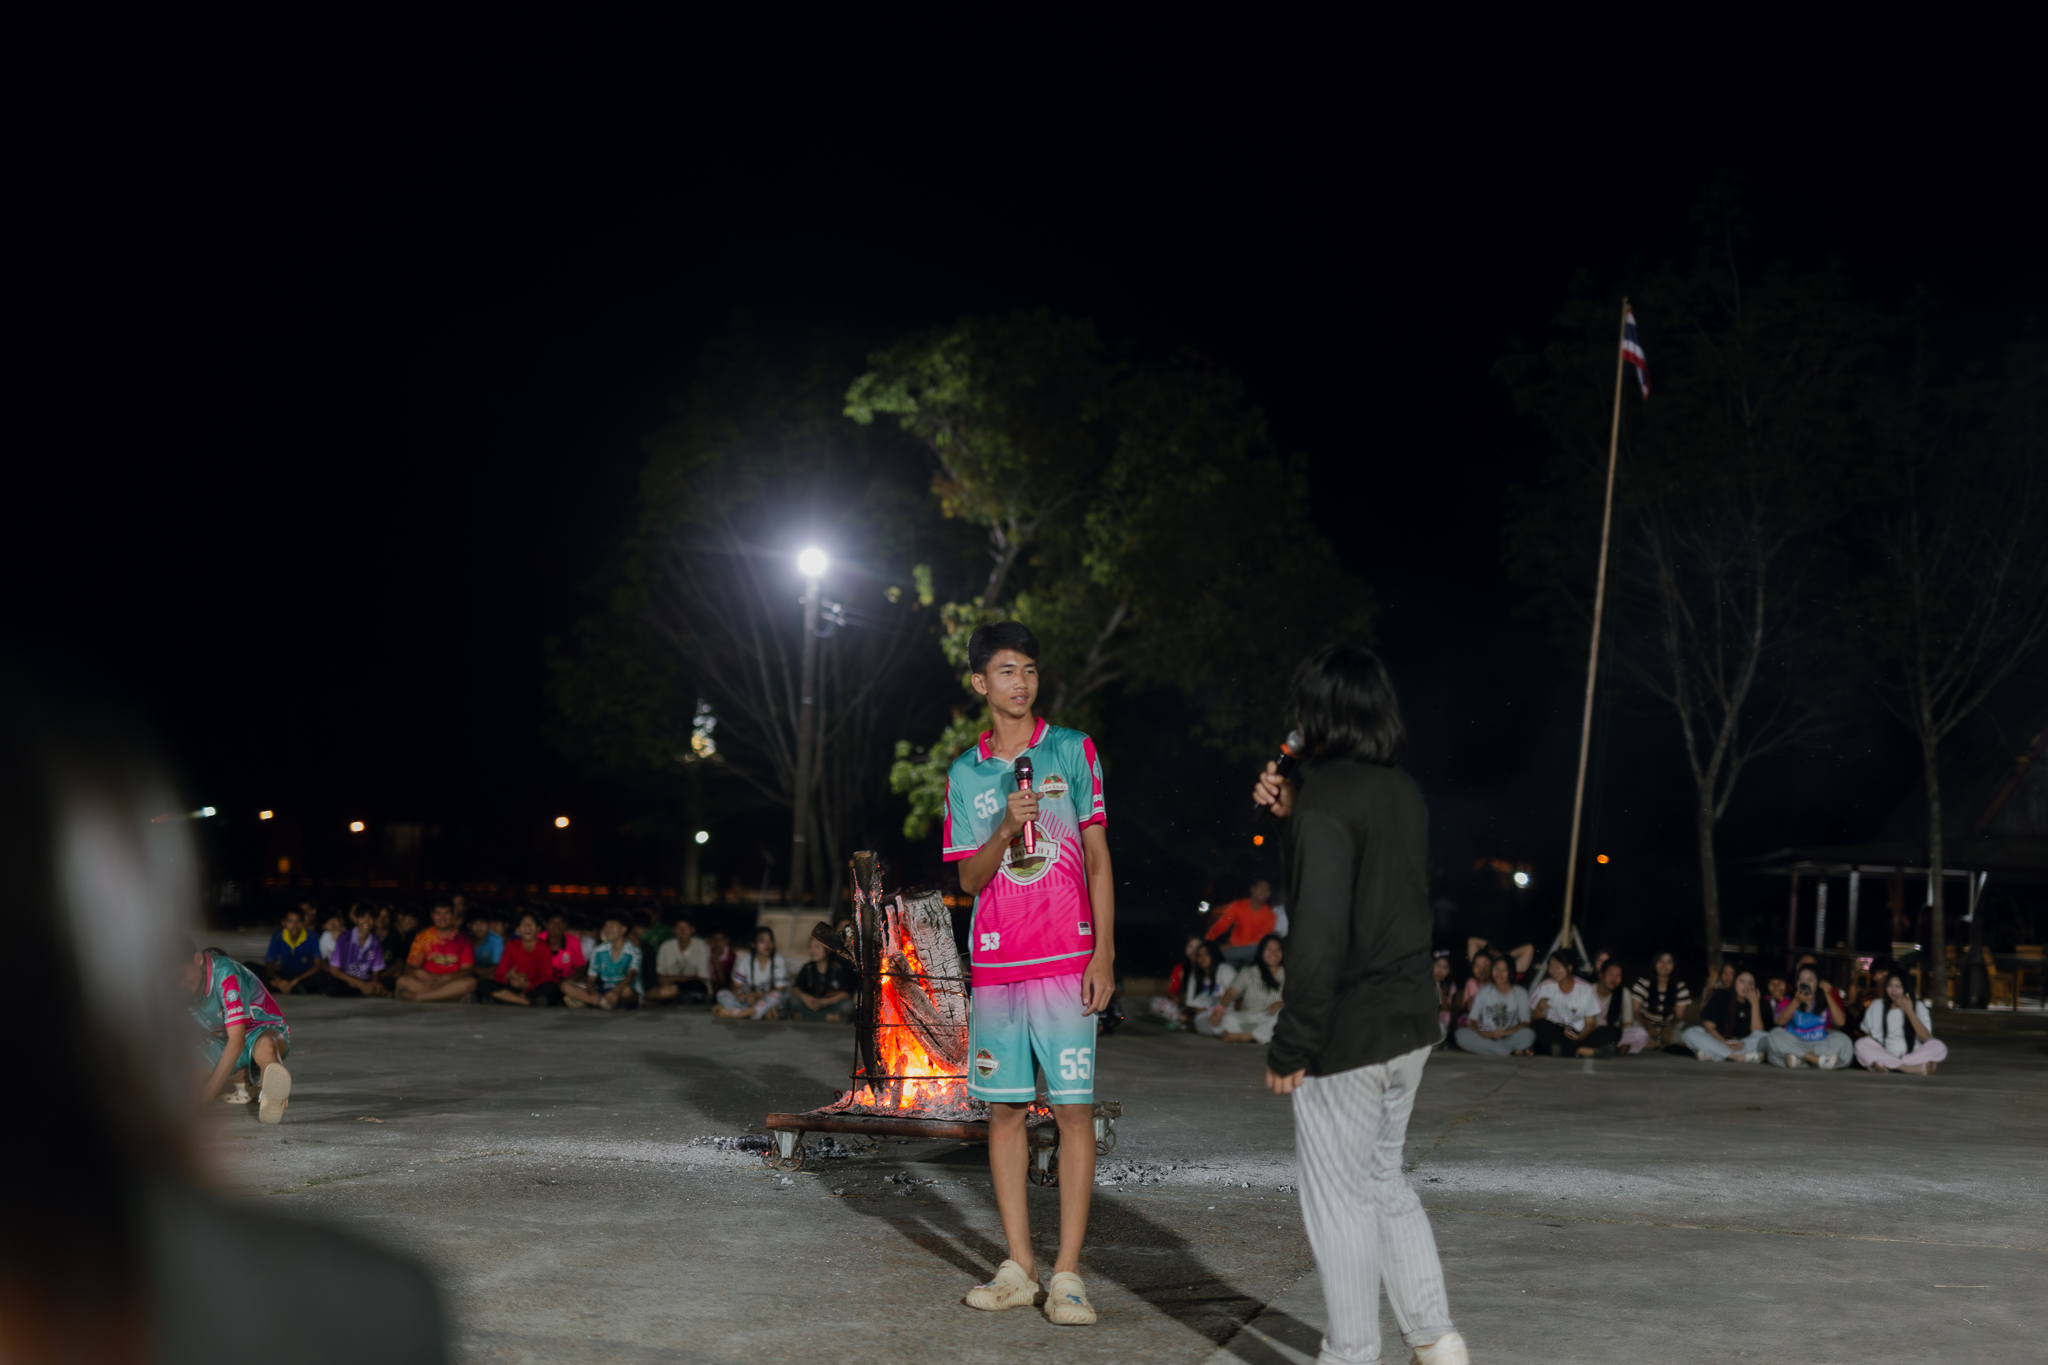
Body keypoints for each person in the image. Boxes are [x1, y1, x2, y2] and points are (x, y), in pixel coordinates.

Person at [0, 657, 447, 1360]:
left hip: (252, 1025)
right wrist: (193, 1104)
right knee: (224, 1058)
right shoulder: (375, 1304)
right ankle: (254, 1086)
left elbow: (234, 1035)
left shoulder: (225, 975)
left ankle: (264, 1081)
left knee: (259, 1045)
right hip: (216, 1052)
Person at [1253, 643, 1465, 1365]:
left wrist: (1293, 1043)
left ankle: (1351, 1354)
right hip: (1411, 1021)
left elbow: (1318, 933)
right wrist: (1293, 812)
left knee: (1339, 1199)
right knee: (1383, 1181)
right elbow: (1371, 894)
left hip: (1348, 1030)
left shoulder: (1327, 799)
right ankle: (1436, 1341)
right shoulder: (1401, 790)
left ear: (1318, 712)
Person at [943, 621, 1117, 1328]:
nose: (1021, 682)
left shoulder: (1072, 749)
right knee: (1006, 1111)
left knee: (1073, 1112)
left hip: (1066, 960)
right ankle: (1020, 1266)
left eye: (1030, 670)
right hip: (997, 962)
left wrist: (1104, 953)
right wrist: (1005, 829)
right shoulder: (965, 773)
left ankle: (1068, 1274)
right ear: (980, 682)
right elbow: (968, 879)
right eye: (1007, 670)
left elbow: (1097, 858)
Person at [186, 946, 294, 1120]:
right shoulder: (185, 988)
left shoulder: (228, 976)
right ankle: (247, 1081)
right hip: (221, 1040)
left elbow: (237, 1041)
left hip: (260, 1030)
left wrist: (206, 1098)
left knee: (266, 1046)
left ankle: (271, 1090)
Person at [1529, 949, 1614, 1058]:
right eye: (1551, 967)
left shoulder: (1586, 989)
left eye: (1557, 967)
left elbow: (1590, 1023)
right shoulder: (1545, 986)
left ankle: (1564, 1049)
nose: (1553, 970)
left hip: (1578, 1032)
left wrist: (1580, 1037)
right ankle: (1584, 1051)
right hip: (1555, 1031)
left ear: (1569, 968)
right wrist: (1539, 1008)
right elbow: (1536, 1020)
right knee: (1538, 1027)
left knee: (1614, 1031)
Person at [1766, 964, 1853, 1069]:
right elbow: (1779, 1022)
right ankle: (1815, 1060)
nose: (1805, 983)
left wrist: (1828, 994)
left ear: (1817, 984)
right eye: (1801, 980)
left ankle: (1801, 1061)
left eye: (1809, 980)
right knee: (1774, 1035)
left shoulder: (1823, 1003)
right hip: (1795, 1043)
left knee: (1844, 1040)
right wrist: (1796, 1001)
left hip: (1818, 1045)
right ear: (1796, 983)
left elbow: (1841, 1022)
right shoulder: (1788, 1001)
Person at [1856, 974, 1946, 1074]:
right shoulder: (1877, 1005)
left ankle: (1889, 1064)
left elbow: (1926, 1037)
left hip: (1913, 1054)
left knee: (1938, 1046)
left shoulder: (1918, 1006)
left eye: (1898, 986)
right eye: (1890, 986)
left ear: (1906, 988)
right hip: (1885, 1051)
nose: (1893, 990)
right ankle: (1909, 1068)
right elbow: (1868, 1034)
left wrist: (1909, 1011)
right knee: (1861, 1044)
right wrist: (1873, 1049)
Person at [395, 901, 478, 1002]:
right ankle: (449, 996)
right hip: (428, 983)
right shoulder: (423, 937)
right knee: (402, 981)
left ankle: (420, 997)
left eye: (446, 913)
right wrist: (419, 973)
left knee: (471, 983)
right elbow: (409, 967)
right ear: (432, 915)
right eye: (438, 913)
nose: (442, 917)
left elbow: (468, 970)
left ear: (453, 915)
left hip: (451, 982)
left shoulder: (463, 938)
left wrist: (446, 978)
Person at [1681, 968, 1769, 1062]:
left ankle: (1714, 1055)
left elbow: (1757, 1032)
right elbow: (1709, 1026)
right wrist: (1725, 1042)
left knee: (1765, 1036)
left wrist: (1755, 1004)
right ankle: (1735, 1057)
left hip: (1743, 1045)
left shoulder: (1758, 1002)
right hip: (1719, 1041)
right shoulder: (1722, 995)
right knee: (1690, 1033)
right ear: (1734, 982)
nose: (1746, 986)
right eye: (1742, 981)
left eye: (1750, 983)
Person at [1453, 955, 1534, 1057]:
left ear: (1512, 974)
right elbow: (1472, 1020)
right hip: (1487, 1035)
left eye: (1504, 970)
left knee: (1529, 1034)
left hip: (1509, 1035)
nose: (1499, 973)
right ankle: (1509, 1051)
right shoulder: (1484, 991)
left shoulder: (1520, 992)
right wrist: (1481, 1031)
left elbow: (1525, 1022)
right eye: (1496, 968)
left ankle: (1497, 1050)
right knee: (1461, 1034)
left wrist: (1504, 1033)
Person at [1216, 934, 1286, 1043]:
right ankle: (1259, 1036)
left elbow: (1295, 999)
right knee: (1226, 1019)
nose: (1274, 953)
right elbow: (1231, 993)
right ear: (1261, 951)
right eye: (1269, 949)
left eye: (1278, 950)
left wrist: (1281, 1004)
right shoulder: (1249, 971)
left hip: (1269, 1020)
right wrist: (1219, 1011)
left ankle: (1247, 1037)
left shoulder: (1287, 974)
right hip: (1248, 1018)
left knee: (1283, 1016)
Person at [565, 913, 641, 1010]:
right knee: (565, 985)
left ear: (623, 929)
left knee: (627, 991)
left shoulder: (633, 950)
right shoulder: (599, 950)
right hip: (603, 989)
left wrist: (615, 991)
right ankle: (600, 1002)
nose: (607, 930)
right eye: (606, 926)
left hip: (622, 989)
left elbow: (632, 974)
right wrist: (593, 992)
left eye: (612, 926)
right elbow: (591, 978)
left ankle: (594, 1002)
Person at [488, 910, 562, 1007]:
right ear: (517, 930)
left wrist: (528, 984)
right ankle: (527, 1002)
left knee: (551, 987)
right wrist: (509, 976)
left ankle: (510, 999)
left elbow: (548, 977)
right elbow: (499, 974)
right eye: (523, 925)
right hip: (513, 986)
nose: (527, 928)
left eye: (531, 924)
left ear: (538, 928)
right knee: (485, 984)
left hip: (534, 987)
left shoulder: (543, 947)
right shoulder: (512, 946)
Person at [715, 925, 788, 1018]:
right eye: (762, 941)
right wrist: (740, 994)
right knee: (721, 993)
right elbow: (735, 986)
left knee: (776, 996)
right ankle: (749, 1012)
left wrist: (759, 995)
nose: (768, 945)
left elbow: (780, 989)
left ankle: (739, 1014)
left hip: (766, 999)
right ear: (753, 944)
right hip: (749, 999)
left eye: (770, 941)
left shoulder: (779, 961)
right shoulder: (745, 960)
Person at [1205, 878, 1278, 966]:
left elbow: (1261, 940)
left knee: (1258, 948)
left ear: (1269, 894)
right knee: (1216, 960)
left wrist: (1228, 947)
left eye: (1267, 890)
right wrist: (1208, 941)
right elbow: (1221, 925)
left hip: (1251, 951)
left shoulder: (1270, 915)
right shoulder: (1237, 906)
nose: (1264, 892)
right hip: (1234, 948)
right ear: (1253, 889)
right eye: (1261, 888)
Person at [323, 903, 390, 996]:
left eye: (370, 917)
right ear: (356, 919)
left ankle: (368, 992)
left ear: (374, 920)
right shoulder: (344, 938)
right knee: (333, 988)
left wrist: (374, 984)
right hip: (346, 979)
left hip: (366, 980)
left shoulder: (376, 941)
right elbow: (334, 970)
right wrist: (361, 985)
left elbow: (376, 972)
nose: (366, 921)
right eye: (362, 917)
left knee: (387, 984)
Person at [1629, 952, 1693, 1050]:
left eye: (1669, 962)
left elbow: (1680, 1017)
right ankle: (1658, 1044)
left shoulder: (1680, 987)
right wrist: (1649, 1025)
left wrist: (1669, 1028)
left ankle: (1657, 1043)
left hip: (1668, 1028)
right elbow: (1635, 1012)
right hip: (1645, 1025)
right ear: (1655, 963)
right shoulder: (1642, 983)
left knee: (1685, 1032)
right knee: (1636, 1029)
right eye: (1661, 961)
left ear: (1674, 966)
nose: (1664, 966)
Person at [646, 914, 713, 1004]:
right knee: (667, 988)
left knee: (695, 985)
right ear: (673, 930)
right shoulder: (666, 946)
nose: (682, 931)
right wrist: (680, 980)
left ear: (692, 929)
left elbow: (702, 977)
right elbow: (660, 976)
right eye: (678, 927)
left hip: (694, 986)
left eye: (686, 927)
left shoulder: (701, 945)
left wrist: (675, 979)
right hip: (672, 986)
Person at [787, 935, 856, 1021]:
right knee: (793, 1001)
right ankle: (827, 1017)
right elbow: (796, 988)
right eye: (810, 947)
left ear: (828, 949)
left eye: (817, 947)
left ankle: (807, 1017)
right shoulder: (808, 968)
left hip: (830, 1004)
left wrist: (823, 1002)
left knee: (848, 1005)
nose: (812, 951)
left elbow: (846, 994)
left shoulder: (837, 967)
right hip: (811, 1004)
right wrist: (806, 998)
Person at [262, 907, 325, 995]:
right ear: (284, 922)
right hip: (285, 975)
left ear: (303, 923)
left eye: (298, 921)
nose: (294, 925)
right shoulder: (277, 936)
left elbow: (318, 964)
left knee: (321, 976)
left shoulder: (312, 937)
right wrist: (278, 980)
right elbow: (269, 964)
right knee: (250, 968)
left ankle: (284, 987)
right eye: (290, 921)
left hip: (304, 976)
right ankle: (290, 988)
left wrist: (296, 980)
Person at [1593, 961, 1649, 1054]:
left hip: (1613, 1034)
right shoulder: (1589, 990)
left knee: (1641, 1034)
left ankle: (1615, 1048)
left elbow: (1627, 1024)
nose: (1614, 978)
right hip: (1592, 1032)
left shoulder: (1623, 993)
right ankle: (1610, 1049)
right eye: (1610, 973)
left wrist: (1625, 1041)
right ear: (1601, 975)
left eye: (1618, 975)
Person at [1182, 939, 1237, 1035]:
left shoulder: (1225, 970)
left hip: (1227, 1012)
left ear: (1214, 955)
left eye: (1207, 954)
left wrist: (1218, 1011)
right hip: (1206, 1015)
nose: (1202, 958)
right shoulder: (1196, 974)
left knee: (1227, 1021)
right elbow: (1192, 1003)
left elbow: (1237, 996)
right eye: (1199, 955)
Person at [1150, 935, 1206, 1024]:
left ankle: (1188, 1020)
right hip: (1183, 1005)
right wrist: (1176, 998)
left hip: (1202, 1006)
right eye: (1190, 946)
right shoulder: (1180, 968)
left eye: (1197, 947)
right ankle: (1184, 1019)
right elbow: (1172, 992)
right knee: (1157, 1003)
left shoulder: (1206, 967)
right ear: (1186, 948)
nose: (1194, 950)